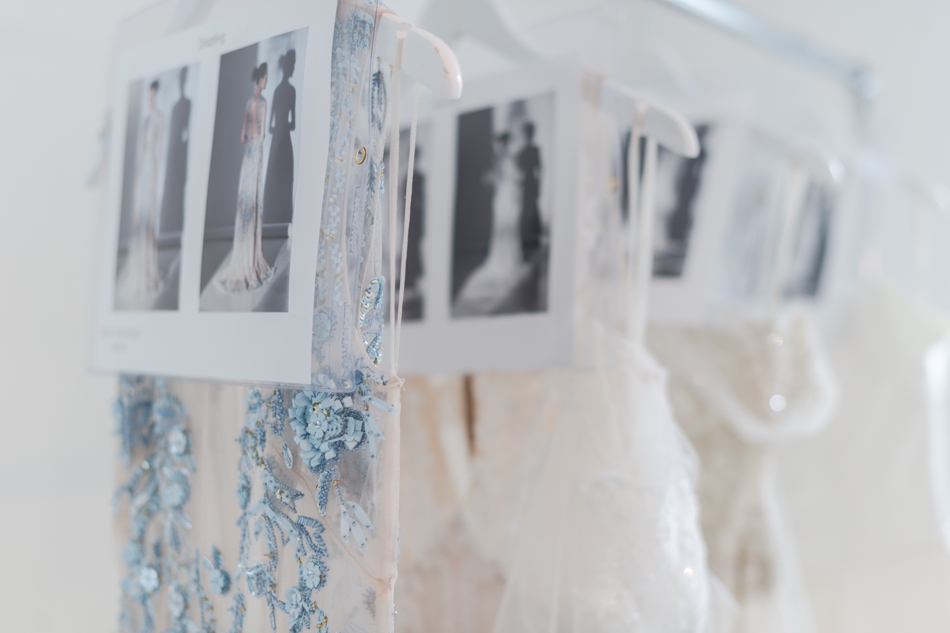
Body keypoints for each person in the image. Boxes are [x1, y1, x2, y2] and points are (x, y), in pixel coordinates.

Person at [219, 62, 274, 293]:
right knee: (253, 202)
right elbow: (261, 137)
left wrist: (251, 135)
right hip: (256, 155)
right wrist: (257, 135)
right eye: (266, 78)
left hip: (247, 156)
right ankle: (251, 258)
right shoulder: (262, 103)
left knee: (245, 204)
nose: (266, 81)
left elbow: (243, 136)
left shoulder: (249, 103)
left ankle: (242, 255)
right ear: (260, 79)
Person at [126, 80, 164, 296]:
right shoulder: (145, 120)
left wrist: (155, 178)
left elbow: (157, 149)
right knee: (139, 220)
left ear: (156, 96)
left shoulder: (159, 118)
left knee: (148, 218)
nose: (150, 99)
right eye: (148, 96)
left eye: (153, 96)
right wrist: (137, 181)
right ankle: (138, 269)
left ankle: (148, 269)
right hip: (142, 173)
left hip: (151, 171)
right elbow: (141, 152)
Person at [263, 50, 297, 225]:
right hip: (282, 140)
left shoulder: (279, 90)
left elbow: (270, 126)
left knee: (277, 177)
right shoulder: (290, 91)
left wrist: (279, 127)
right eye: (293, 65)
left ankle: (273, 216)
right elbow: (293, 124)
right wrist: (284, 125)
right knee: (282, 176)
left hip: (278, 138)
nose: (294, 69)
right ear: (288, 67)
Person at [160, 67, 191, 236]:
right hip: (173, 153)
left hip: (180, 152)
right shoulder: (174, 107)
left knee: (178, 189)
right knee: (170, 188)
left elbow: (186, 131)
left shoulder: (187, 104)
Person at [516, 121, 542, 263]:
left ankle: (534, 246)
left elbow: (539, 170)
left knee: (533, 212)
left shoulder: (534, 150)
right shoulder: (521, 152)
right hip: (525, 185)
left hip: (531, 185)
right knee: (525, 214)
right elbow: (518, 172)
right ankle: (525, 250)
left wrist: (538, 186)